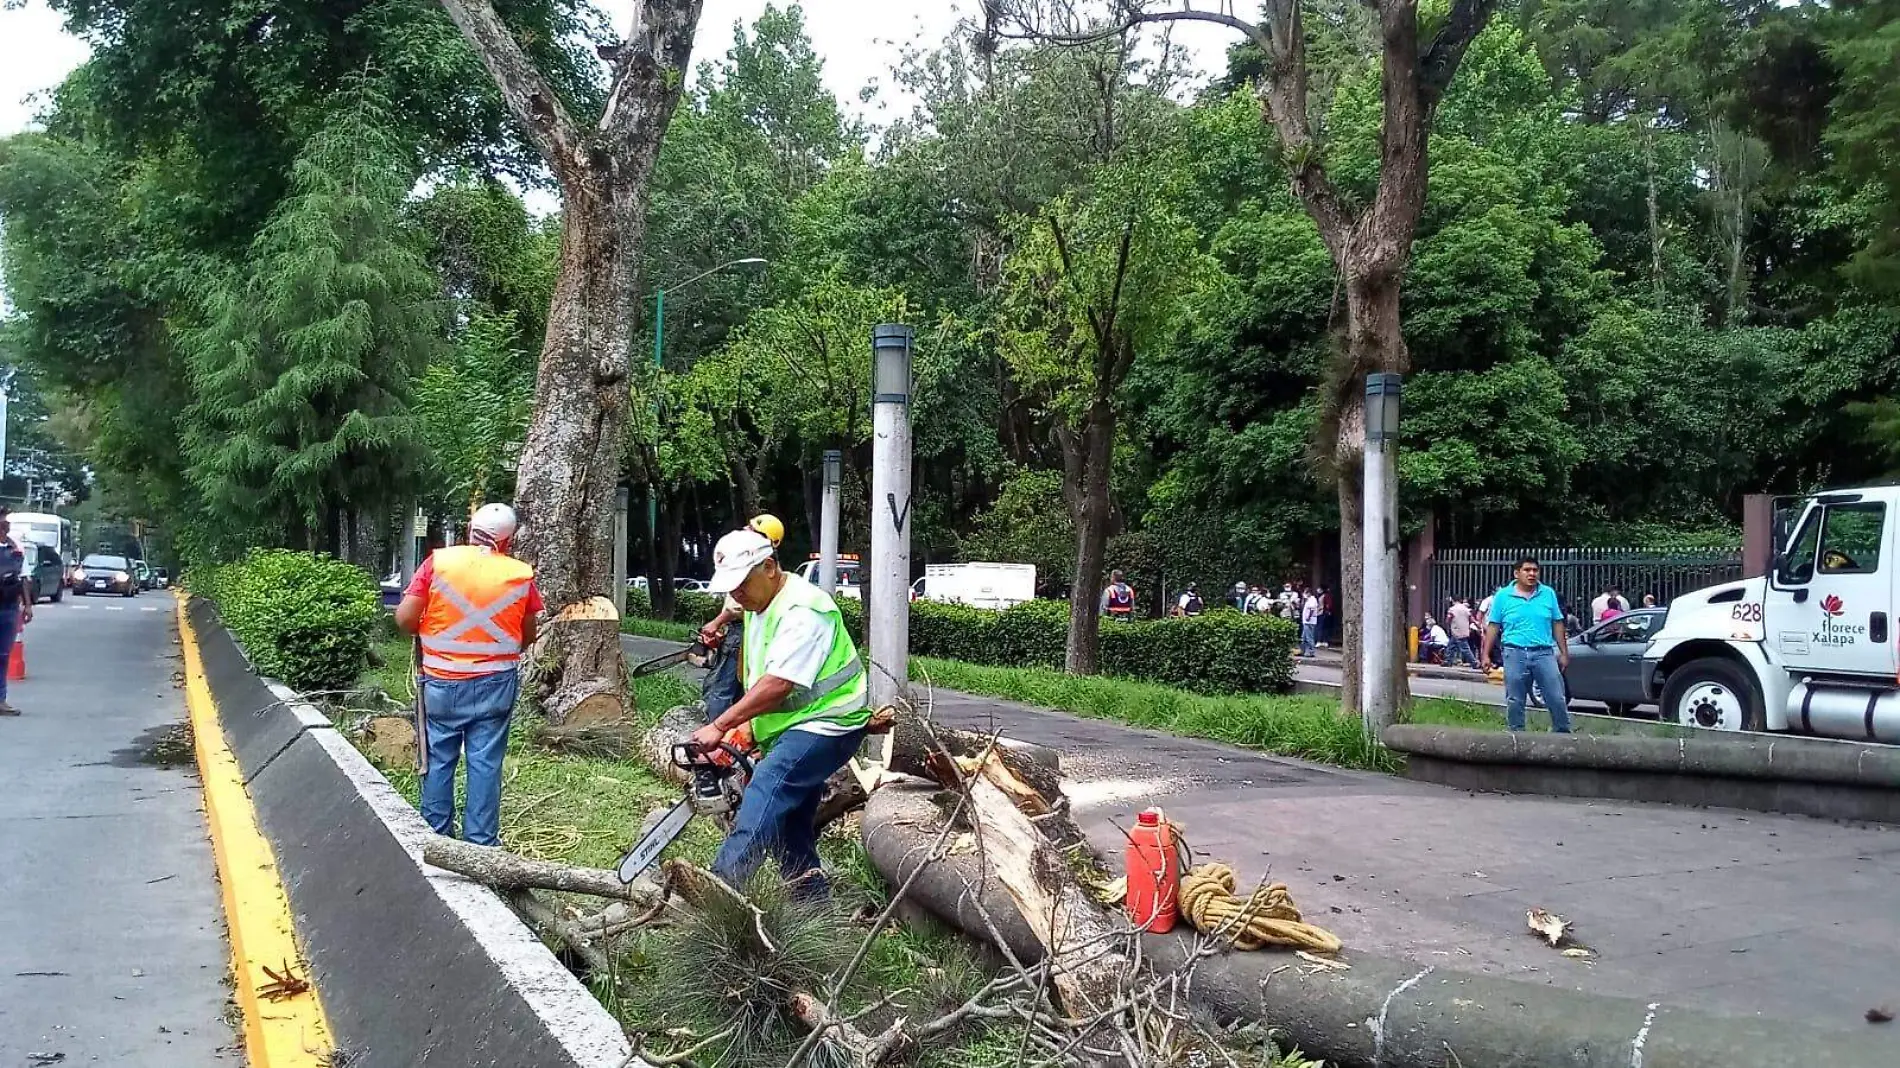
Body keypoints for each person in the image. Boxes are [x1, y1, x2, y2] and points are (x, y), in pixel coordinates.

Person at [689, 528, 870, 894]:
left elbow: (777, 685)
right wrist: (746, 730)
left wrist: (720, 726)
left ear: (769, 567)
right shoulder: (759, 604)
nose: (736, 594)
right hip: (797, 722)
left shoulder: (805, 610)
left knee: (767, 788)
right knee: (790, 825)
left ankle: (722, 888)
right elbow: (760, 681)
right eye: (732, 587)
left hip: (832, 721)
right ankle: (813, 913)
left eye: (742, 584)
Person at [395, 503, 541, 846]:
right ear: (507, 542)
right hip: (496, 683)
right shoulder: (519, 574)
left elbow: (404, 619)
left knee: (438, 758)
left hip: (441, 681)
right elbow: (528, 634)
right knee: (486, 762)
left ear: (470, 529)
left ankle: (435, 838)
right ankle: (481, 843)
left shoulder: (439, 562)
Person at [697, 514, 786, 722]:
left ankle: (717, 728)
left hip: (738, 630)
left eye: (753, 531)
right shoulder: (741, 562)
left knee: (719, 687)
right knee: (739, 688)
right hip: (739, 628)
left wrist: (717, 623)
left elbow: (736, 609)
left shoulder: (759, 580)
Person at [1480, 556, 1573, 733]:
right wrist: (1486, 654)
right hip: (1514, 652)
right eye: (1527, 570)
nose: (1532, 574)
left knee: (1556, 696)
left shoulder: (1547, 593)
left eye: (1535, 570)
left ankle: (1562, 734)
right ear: (1517, 573)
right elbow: (1493, 626)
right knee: (1515, 698)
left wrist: (1564, 652)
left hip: (1544, 652)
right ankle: (1517, 736)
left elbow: (1557, 623)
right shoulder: (1503, 596)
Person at [0, 509, 35, 716]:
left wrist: (27, 605)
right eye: (2, 522)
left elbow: (24, 578)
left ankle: (1, 700)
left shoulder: (16, 551)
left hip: (8, 607)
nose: (5, 525)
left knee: (3, 655)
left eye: (6, 522)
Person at [1444, 596, 1475, 667]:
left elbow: (1448, 619)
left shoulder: (1452, 609)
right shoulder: (1466, 609)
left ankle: (1474, 662)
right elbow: (1471, 619)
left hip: (1456, 630)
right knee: (1451, 646)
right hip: (1464, 631)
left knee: (1465, 649)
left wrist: (1447, 623)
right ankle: (1448, 661)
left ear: (1452, 600)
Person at [1299, 586, 1320, 657]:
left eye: (1305, 593)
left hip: (1309, 621)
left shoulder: (1312, 600)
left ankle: (1311, 652)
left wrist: (1308, 617)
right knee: (1303, 637)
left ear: (1309, 593)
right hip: (1306, 621)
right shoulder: (1307, 600)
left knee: (1309, 637)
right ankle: (1302, 651)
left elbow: (1312, 609)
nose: (1304, 594)